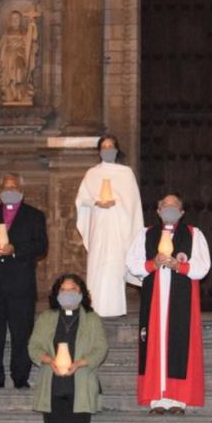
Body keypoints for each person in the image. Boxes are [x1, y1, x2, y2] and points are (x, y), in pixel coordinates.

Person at [126, 194, 210, 414]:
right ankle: (157, 399)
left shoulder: (194, 234)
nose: (169, 209)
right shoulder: (145, 234)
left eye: (174, 207)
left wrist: (178, 267)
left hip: (182, 298)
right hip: (154, 299)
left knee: (178, 342)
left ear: (182, 213)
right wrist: (153, 263)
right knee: (155, 342)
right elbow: (132, 264)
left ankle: (178, 398)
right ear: (158, 210)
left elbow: (203, 266)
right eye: (165, 206)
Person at [28, 273, 108, 423]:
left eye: (73, 288)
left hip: (80, 387)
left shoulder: (92, 319)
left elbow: (100, 348)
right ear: (56, 294)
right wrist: (47, 360)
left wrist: (81, 363)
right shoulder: (46, 318)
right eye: (63, 289)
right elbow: (33, 346)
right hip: (53, 387)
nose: (68, 293)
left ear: (81, 293)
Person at [0, 173, 48, 389]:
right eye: (5, 187)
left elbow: (41, 246)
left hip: (21, 284)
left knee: (22, 332)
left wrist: (16, 250)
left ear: (21, 190)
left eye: (13, 187)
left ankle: (20, 377)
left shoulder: (34, 215)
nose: (9, 190)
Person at [74, 135, 144, 317]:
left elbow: (132, 203)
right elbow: (82, 199)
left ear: (116, 149)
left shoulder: (126, 173)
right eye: (104, 146)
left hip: (119, 227)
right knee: (98, 264)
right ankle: (94, 307)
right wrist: (97, 202)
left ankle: (115, 308)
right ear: (99, 151)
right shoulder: (92, 173)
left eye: (111, 146)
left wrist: (117, 202)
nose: (107, 149)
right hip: (99, 226)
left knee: (115, 264)